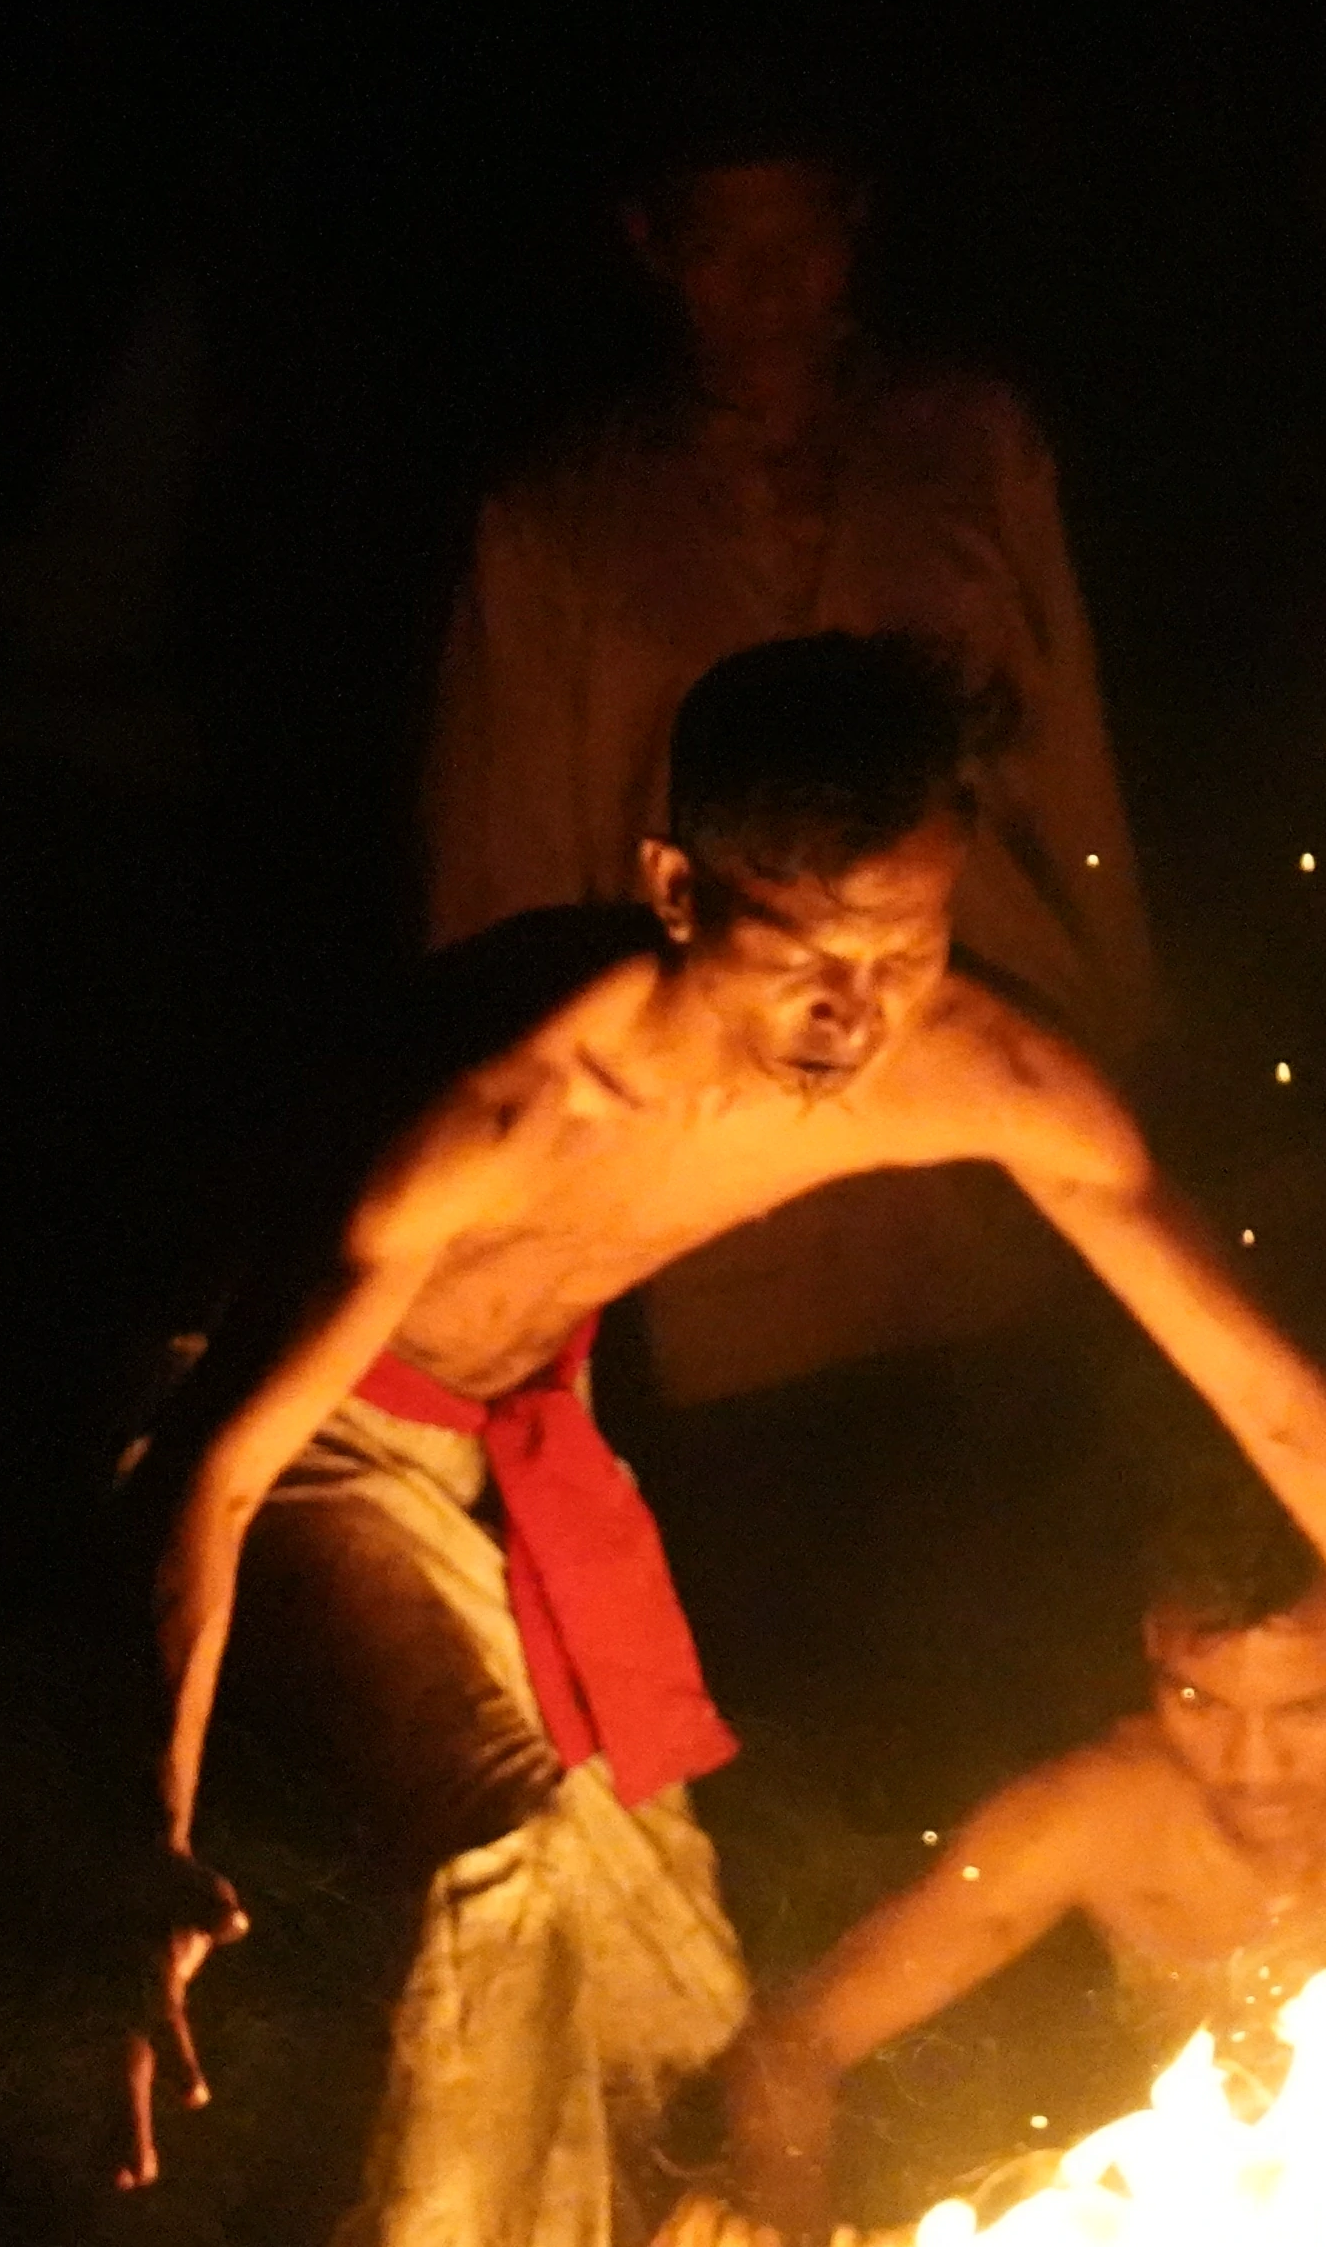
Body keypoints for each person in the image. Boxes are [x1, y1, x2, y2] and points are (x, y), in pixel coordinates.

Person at [121, 634, 1326, 2247]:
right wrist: (140, 1839)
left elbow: (1286, 1420)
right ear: (676, 893)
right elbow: (213, 1466)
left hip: (515, 1432)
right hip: (297, 1423)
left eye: (904, 946)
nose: (855, 1015)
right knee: (517, 1863)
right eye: (803, 954)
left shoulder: (978, 1065)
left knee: (666, 1970)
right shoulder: (513, 1099)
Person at [422, 108, 1154, 1400]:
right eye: (723, 246)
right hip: (721, 1212)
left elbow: (1073, 765)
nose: (769, 286)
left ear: (853, 227)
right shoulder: (560, 522)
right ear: (652, 246)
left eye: (801, 237)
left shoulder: (970, 450)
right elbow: (507, 865)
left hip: (984, 1151)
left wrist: (1129, 1038)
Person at [716, 1482, 1326, 2229]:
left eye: (1309, 1708)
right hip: (1183, 2215)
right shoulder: (1091, 1821)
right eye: (1200, 1700)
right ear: (1154, 1646)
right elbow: (792, 2045)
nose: (1252, 1765)